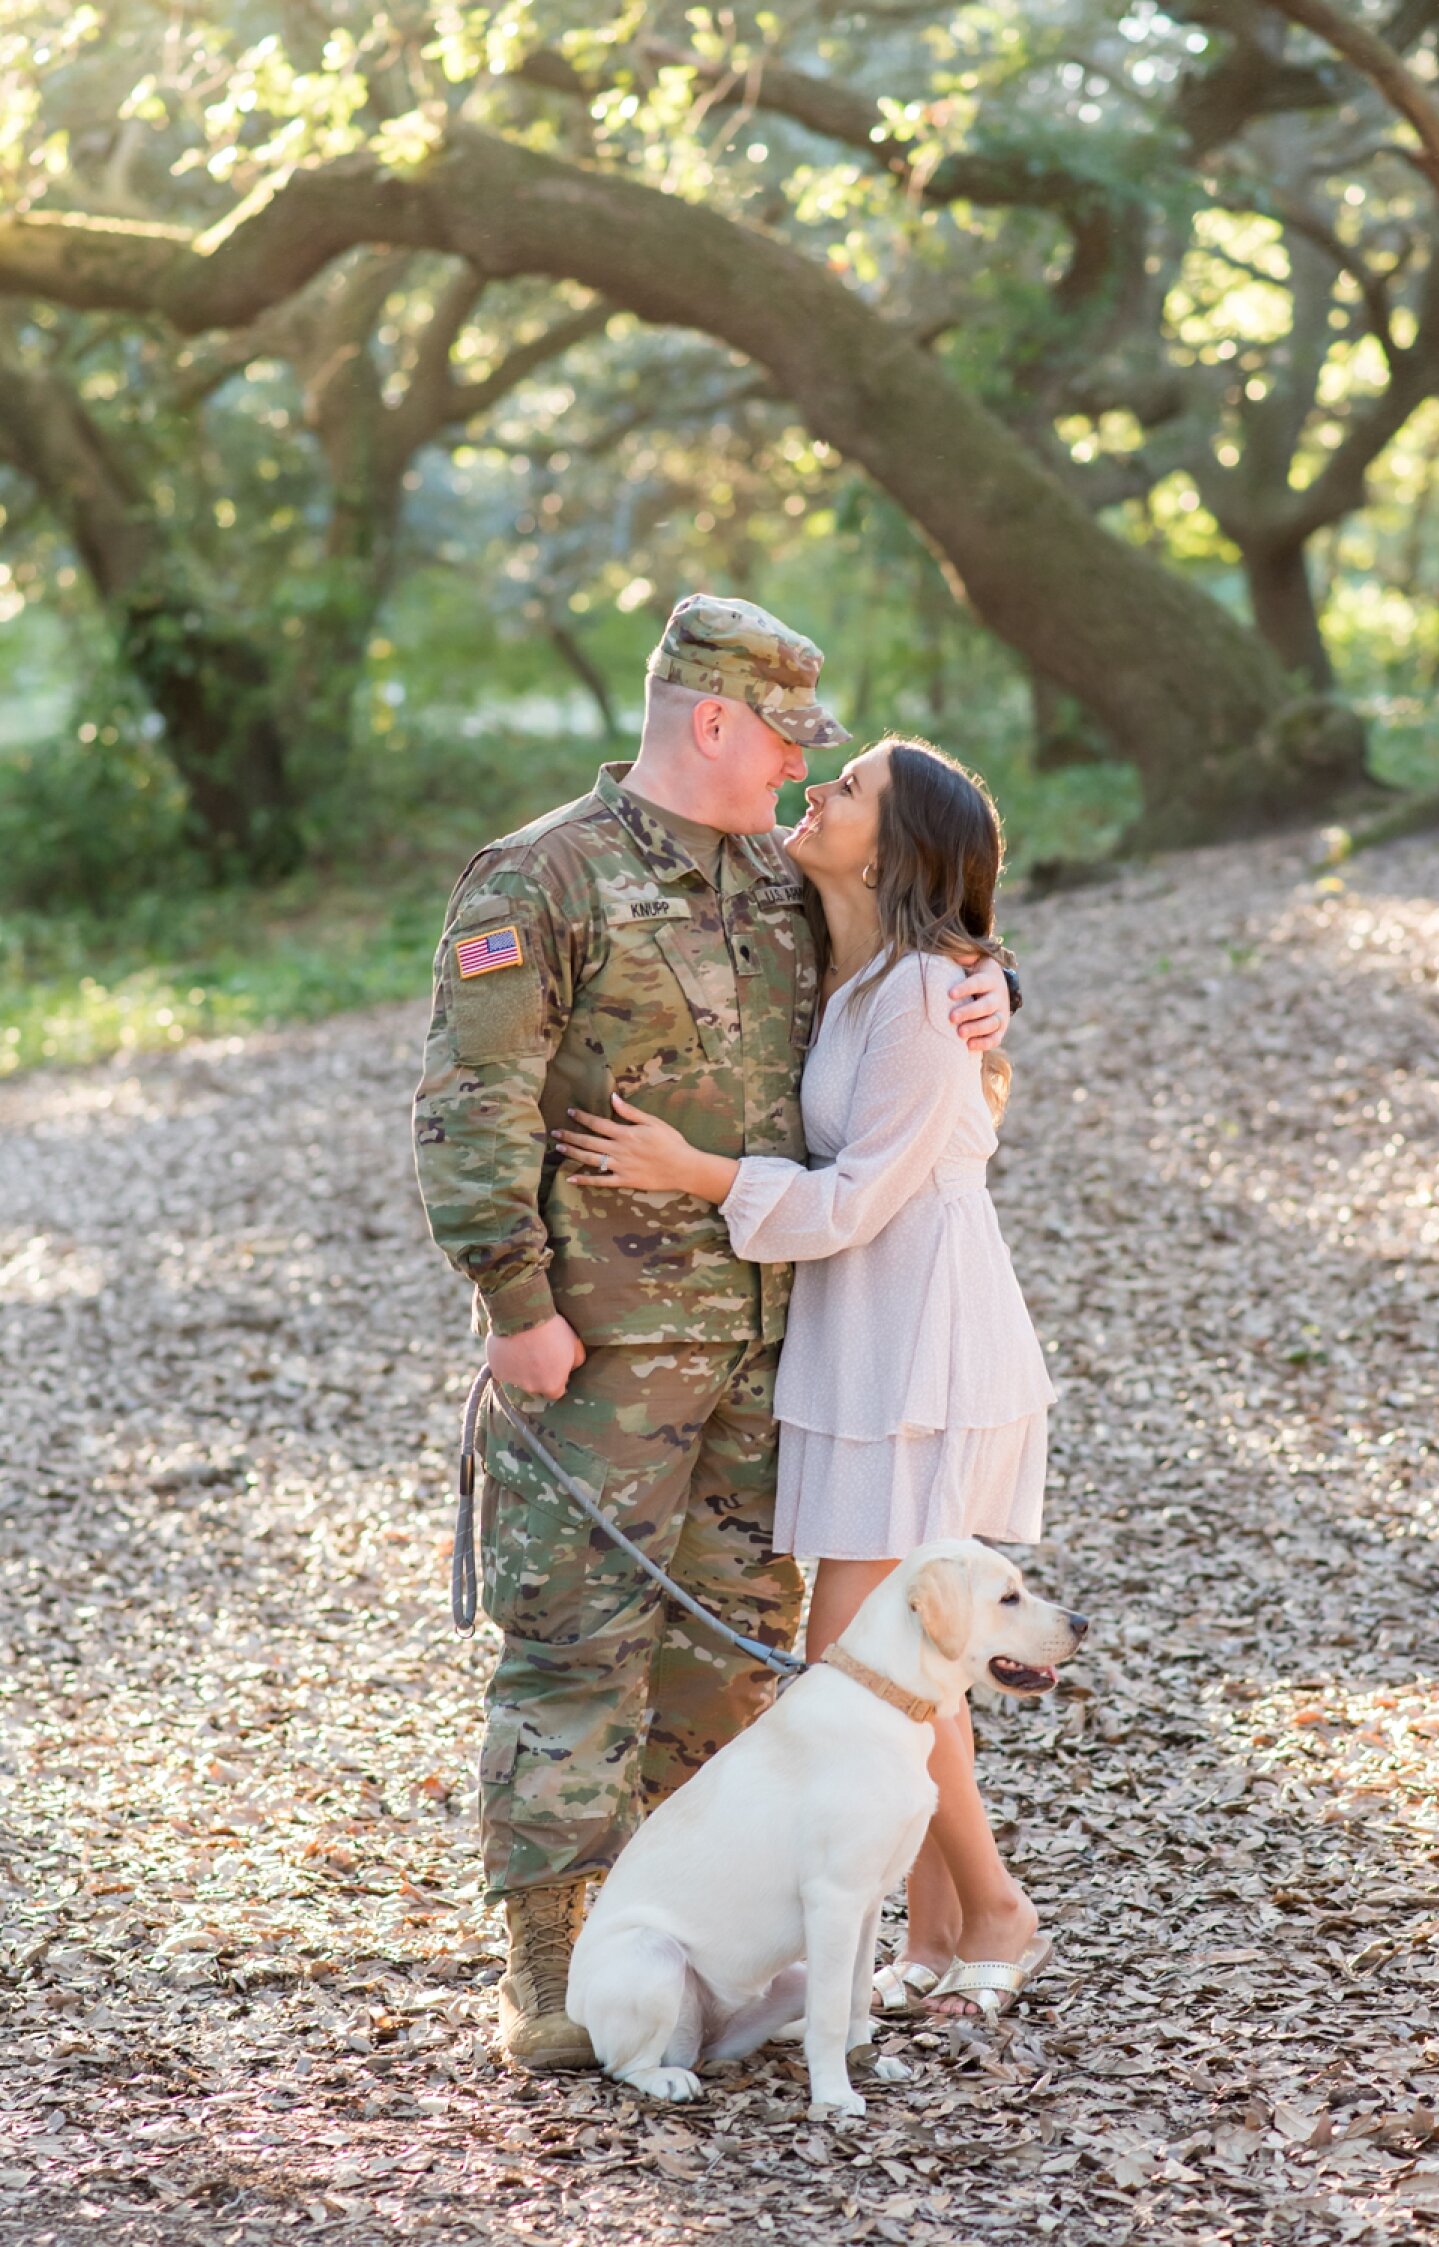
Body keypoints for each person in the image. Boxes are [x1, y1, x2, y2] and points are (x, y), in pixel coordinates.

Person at [412, 598, 1016, 2071]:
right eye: (785, 745)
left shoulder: (781, 878)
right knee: (572, 1648)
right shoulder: (540, 879)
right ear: (711, 722)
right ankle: (556, 1971)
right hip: (601, 1350)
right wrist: (516, 1304)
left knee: (724, 1666)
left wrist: (999, 988)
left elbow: (914, 971)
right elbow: (471, 1105)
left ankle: (684, 1933)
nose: (801, 779)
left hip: (772, 1353)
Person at [555, 735, 1056, 2025]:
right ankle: (941, 1936)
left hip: (921, 1343)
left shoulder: (924, 993)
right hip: (864, 1338)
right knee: (905, 1659)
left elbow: (852, 1199)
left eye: (843, 793)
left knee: (871, 1656)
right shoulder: (852, 960)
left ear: (890, 850)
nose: (812, 795)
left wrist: (699, 1174)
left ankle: (996, 1909)